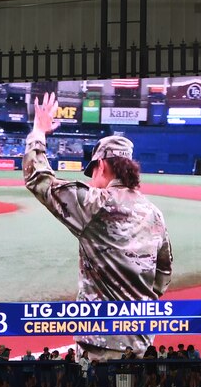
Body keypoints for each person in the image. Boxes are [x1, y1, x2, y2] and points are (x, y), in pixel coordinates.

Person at [24, 93, 173, 360]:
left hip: (101, 345)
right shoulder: (154, 213)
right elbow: (163, 273)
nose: (92, 179)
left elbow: (38, 179)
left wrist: (39, 131)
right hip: (141, 342)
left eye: (92, 171)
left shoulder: (96, 203)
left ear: (102, 165)